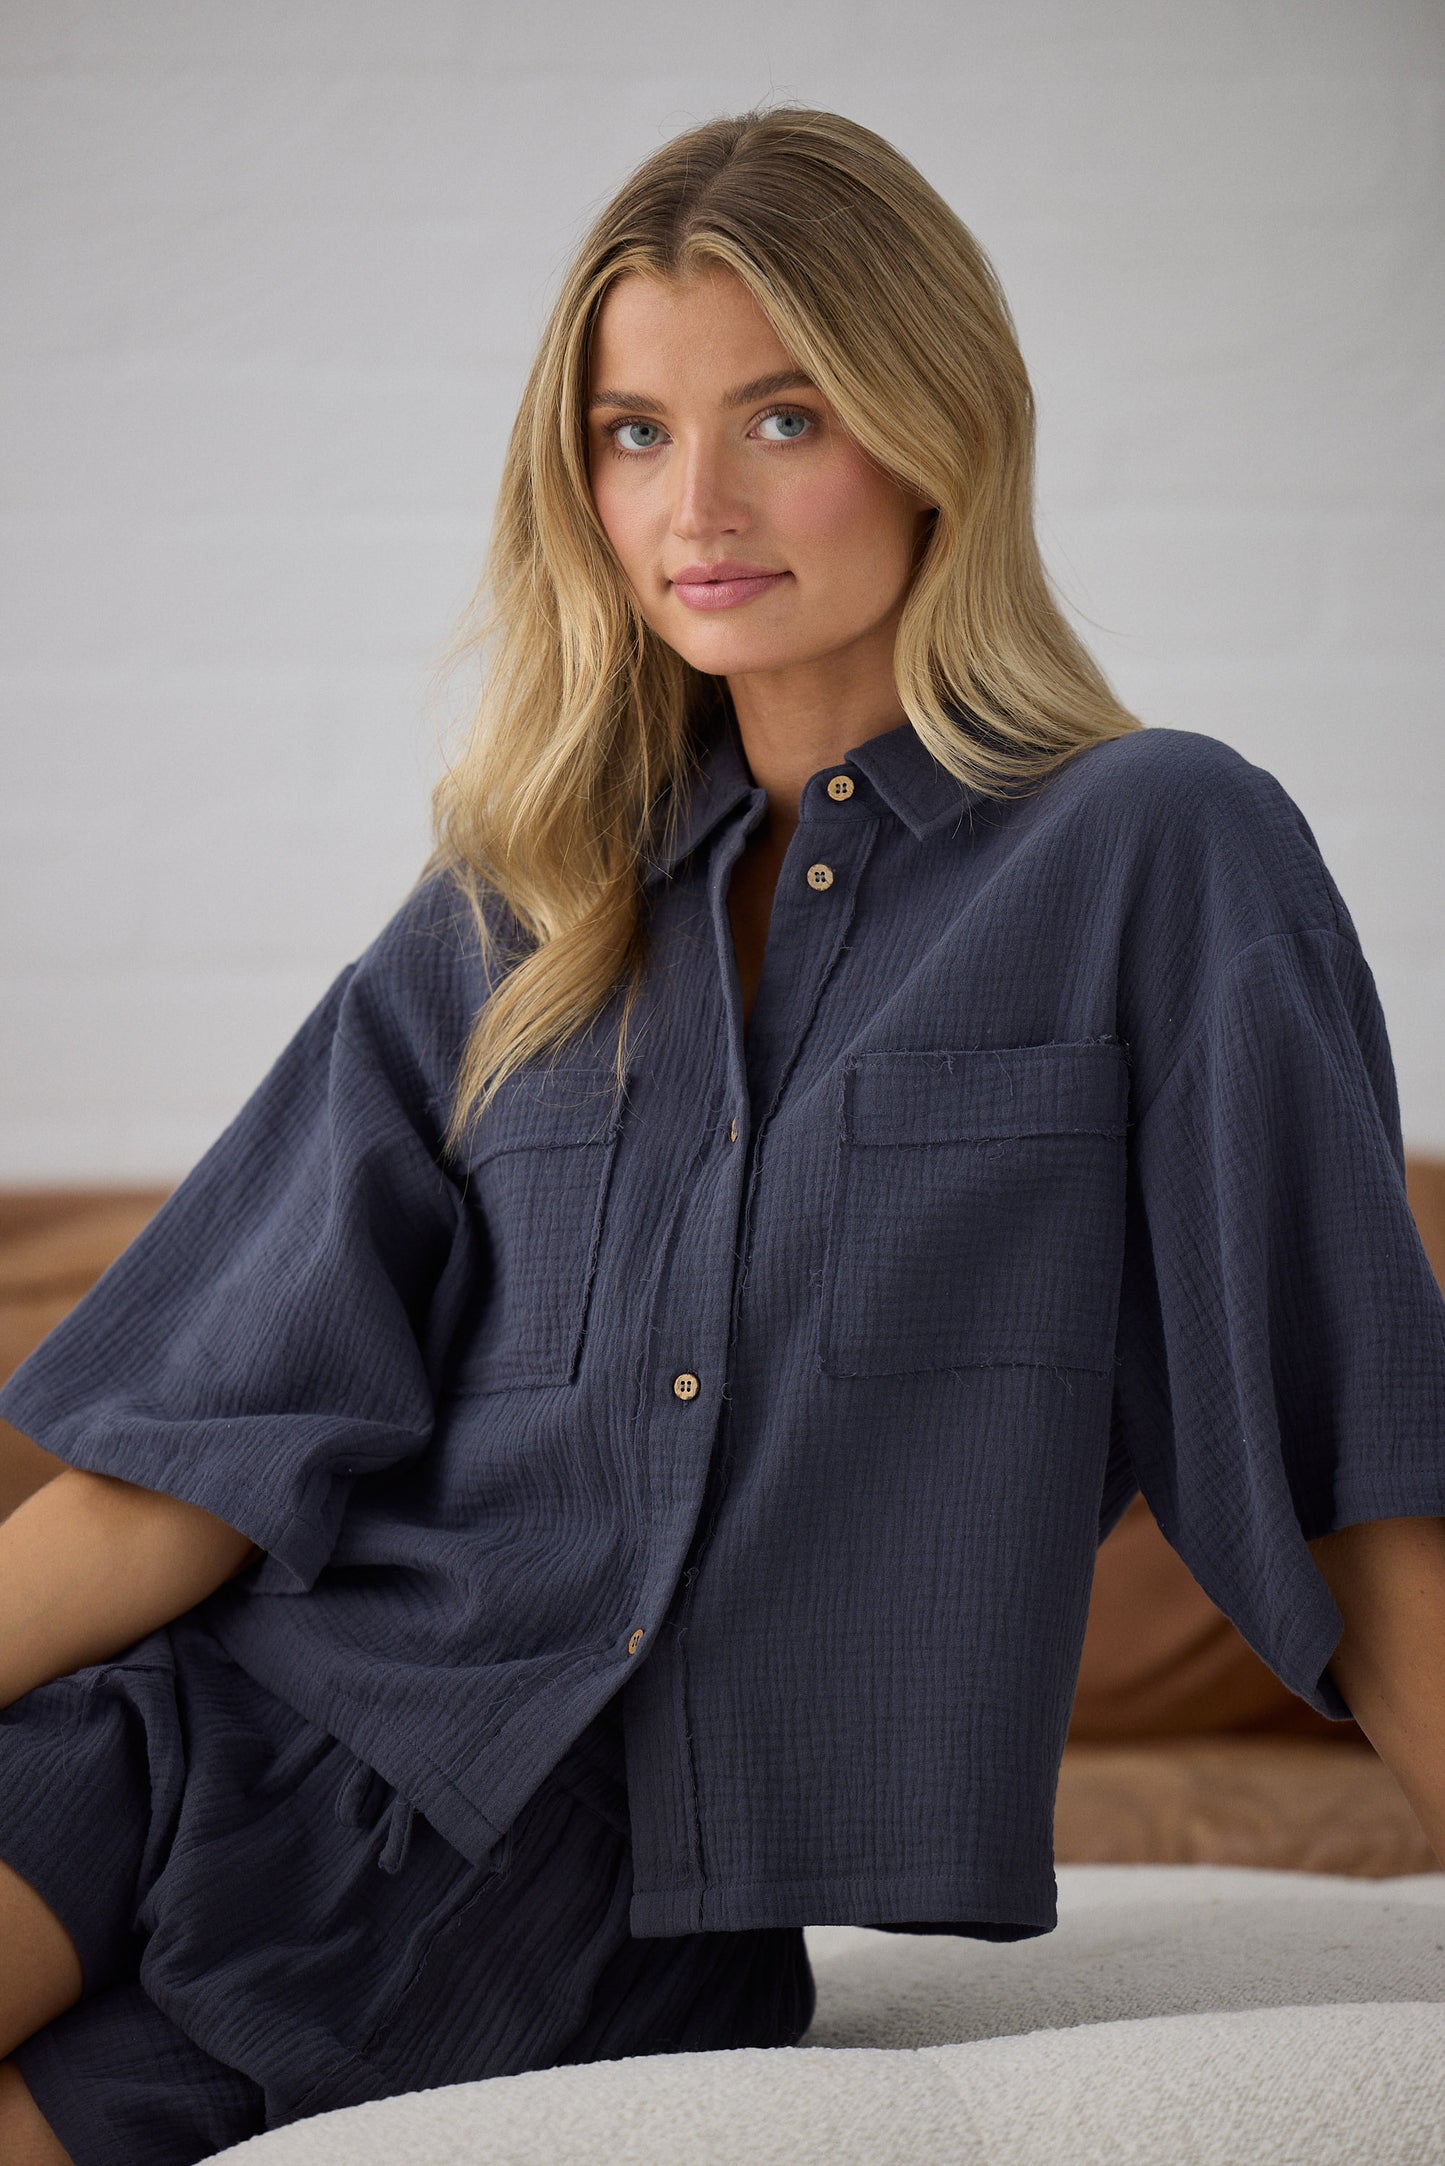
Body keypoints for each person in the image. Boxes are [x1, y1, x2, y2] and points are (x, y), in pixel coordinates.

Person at [2, 100, 1444, 2166]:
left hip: (573, 1933)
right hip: (197, 1737)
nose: (695, 502)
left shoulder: (1158, 851)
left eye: (783, 417)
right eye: (630, 431)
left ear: (931, 422)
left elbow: (1349, 1472)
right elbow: (186, 1469)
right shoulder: (519, 900)